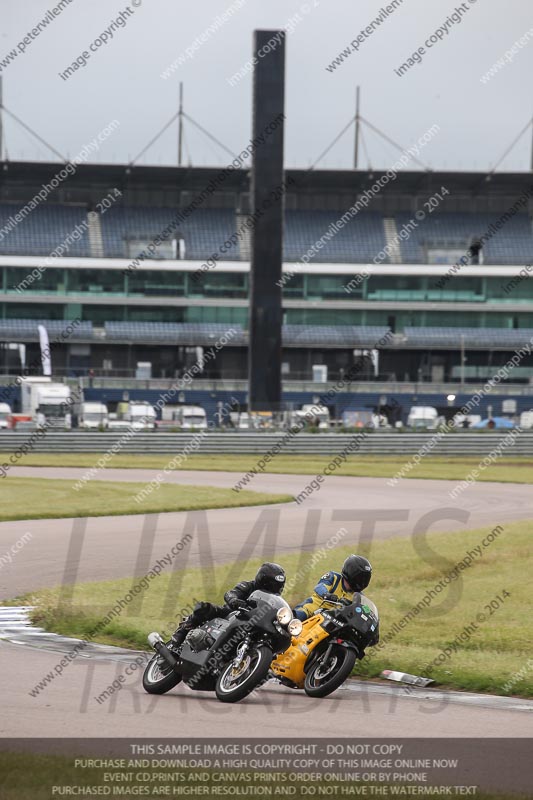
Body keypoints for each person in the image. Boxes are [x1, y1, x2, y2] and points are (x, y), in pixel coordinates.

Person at [169, 562, 286, 649]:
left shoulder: (274, 601)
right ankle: (179, 635)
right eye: (271, 585)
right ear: (262, 580)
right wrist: (234, 600)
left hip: (254, 624)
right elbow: (231, 593)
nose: (274, 589)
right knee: (203, 608)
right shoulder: (248, 585)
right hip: (230, 614)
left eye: (278, 586)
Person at [293, 554, 372, 622]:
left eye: (365, 578)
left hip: (334, 619)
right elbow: (319, 587)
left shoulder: (359, 596)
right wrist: (326, 594)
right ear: (351, 572)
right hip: (314, 607)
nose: (363, 581)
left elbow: (365, 610)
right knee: (299, 616)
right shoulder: (333, 577)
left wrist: (370, 615)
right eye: (360, 578)